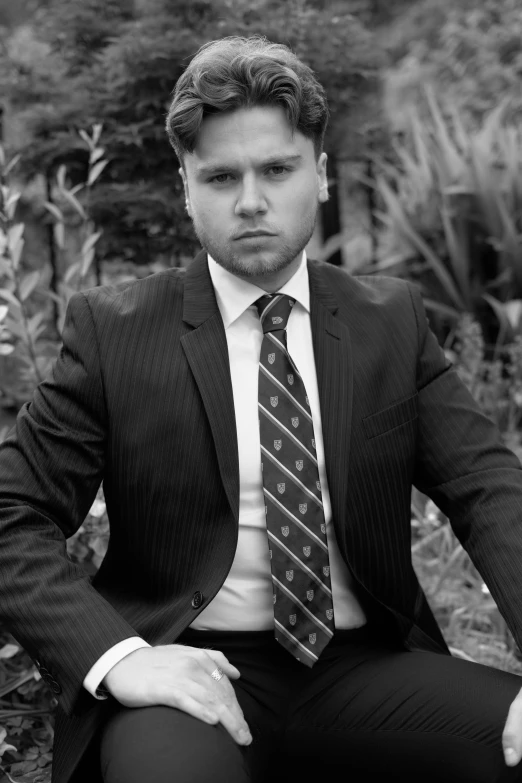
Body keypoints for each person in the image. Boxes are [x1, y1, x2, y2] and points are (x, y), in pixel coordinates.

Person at [2, 34, 522, 783]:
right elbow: (12, 514)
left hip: (364, 671)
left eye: (276, 169)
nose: (250, 201)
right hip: (190, 680)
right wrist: (122, 659)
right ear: (186, 188)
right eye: (220, 177)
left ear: (319, 174)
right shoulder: (114, 332)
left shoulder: (391, 322)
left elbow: (488, 490)